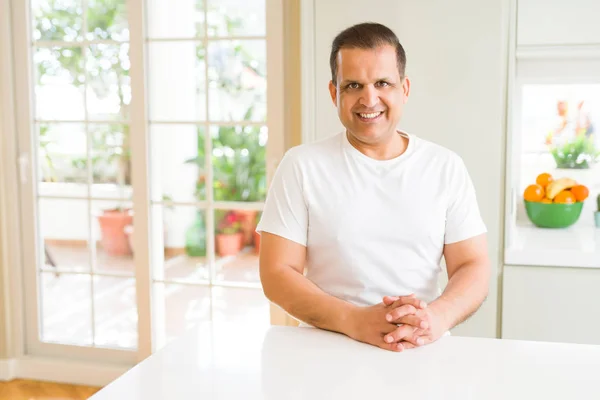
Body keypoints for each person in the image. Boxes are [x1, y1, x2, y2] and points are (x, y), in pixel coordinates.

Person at [256, 22, 491, 352]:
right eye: (353, 85)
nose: (369, 98)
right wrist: (354, 320)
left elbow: (473, 264)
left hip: (419, 349)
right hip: (323, 351)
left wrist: (435, 318)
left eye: (383, 83)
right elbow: (277, 273)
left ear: (404, 89)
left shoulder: (445, 167)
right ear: (334, 92)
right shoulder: (301, 166)